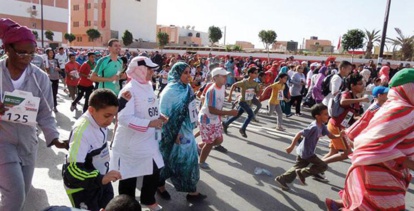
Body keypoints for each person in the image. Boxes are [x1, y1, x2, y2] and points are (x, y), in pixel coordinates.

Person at [0, 18, 68, 211]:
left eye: (31, 52)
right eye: (22, 52)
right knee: (15, 195)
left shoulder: (40, 77)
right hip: (2, 141)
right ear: (7, 49)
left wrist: (55, 138)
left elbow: (46, 113)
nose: (27, 57)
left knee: (22, 190)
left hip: (28, 142)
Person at [326, 68, 414, 211]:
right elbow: (373, 143)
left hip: (378, 169)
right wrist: (404, 160)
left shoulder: (392, 106)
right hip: (381, 172)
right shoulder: (404, 110)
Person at [110, 56, 166, 210]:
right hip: (131, 142)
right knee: (129, 175)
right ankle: (124, 206)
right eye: (148, 69)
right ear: (139, 70)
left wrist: (158, 117)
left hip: (148, 139)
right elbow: (124, 118)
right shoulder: (128, 89)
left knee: (154, 168)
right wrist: (150, 123)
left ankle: (148, 199)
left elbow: (149, 108)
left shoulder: (148, 86)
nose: (151, 72)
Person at [62, 89, 121, 211]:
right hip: (83, 188)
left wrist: (124, 100)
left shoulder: (99, 120)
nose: (110, 121)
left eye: (113, 116)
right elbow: (72, 170)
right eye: (107, 116)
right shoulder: (82, 132)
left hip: (100, 178)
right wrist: (100, 179)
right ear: (91, 110)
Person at [157, 62, 207, 202]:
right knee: (168, 162)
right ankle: (159, 186)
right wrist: (174, 134)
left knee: (189, 162)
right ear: (176, 73)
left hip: (187, 132)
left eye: (189, 72)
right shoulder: (170, 91)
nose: (188, 75)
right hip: (174, 134)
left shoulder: (187, 89)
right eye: (185, 72)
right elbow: (164, 115)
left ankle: (192, 191)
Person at [275, 104, 343, 191]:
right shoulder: (314, 127)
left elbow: (331, 136)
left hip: (305, 151)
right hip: (306, 153)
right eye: (325, 114)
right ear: (318, 116)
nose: (328, 116)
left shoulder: (322, 126)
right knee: (323, 166)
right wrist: (291, 146)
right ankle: (303, 173)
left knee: (298, 167)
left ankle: (282, 179)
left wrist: (340, 135)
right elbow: (299, 133)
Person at [197, 67, 238, 170]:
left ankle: (198, 147)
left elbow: (222, 96)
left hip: (215, 118)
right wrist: (229, 112)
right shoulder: (211, 91)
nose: (226, 78)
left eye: (226, 76)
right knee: (210, 143)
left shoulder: (223, 87)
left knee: (219, 140)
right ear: (215, 78)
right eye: (223, 76)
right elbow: (211, 110)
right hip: (207, 119)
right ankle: (201, 162)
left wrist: (231, 98)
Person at [223, 67, 260, 138]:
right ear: (250, 74)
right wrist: (230, 96)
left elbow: (257, 94)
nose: (256, 74)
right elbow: (234, 85)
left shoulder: (255, 83)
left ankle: (225, 123)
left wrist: (260, 90)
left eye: (257, 73)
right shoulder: (244, 82)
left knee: (237, 115)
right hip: (242, 101)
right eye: (255, 73)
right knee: (251, 114)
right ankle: (243, 128)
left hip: (248, 102)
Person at [44, 48, 61, 112]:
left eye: (52, 52)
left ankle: (55, 106)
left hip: (56, 78)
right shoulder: (45, 61)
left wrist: (58, 69)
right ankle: (49, 106)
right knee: (48, 93)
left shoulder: (56, 60)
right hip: (48, 79)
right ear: (47, 54)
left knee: (55, 93)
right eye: (50, 52)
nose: (51, 54)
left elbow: (60, 69)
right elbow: (44, 69)